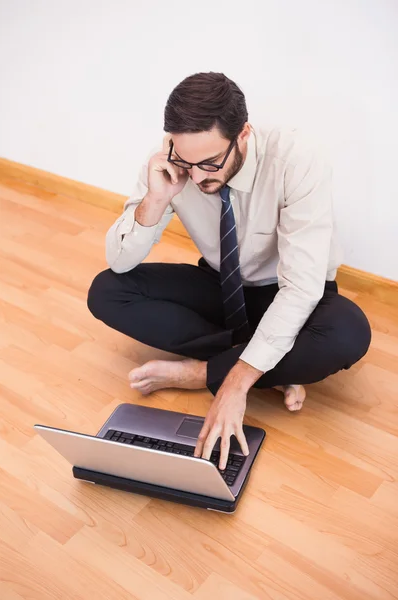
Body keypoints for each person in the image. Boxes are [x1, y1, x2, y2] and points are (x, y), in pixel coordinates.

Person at [87, 72, 371, 470]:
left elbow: (302, 288)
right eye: (185, 160)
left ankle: (204, 371)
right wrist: (156, 198)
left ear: (242, 136)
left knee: (348, 332)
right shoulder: (171, 161)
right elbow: (120, 261)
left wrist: (232, 384)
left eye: (209, 163)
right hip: (222, 285)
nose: (197, 176)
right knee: (107, 291)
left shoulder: (296, 159)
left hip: (288, 291)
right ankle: (272, 361)